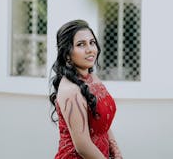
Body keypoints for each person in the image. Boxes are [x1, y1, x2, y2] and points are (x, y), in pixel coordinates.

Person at [50, 19, 123, 159]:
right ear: (67, 54)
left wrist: (115, 149)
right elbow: (83, 147)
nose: (90, 49)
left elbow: (103, 123)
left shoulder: (93, 78)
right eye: (81, 44)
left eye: (92, 42)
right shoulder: (70, 91)